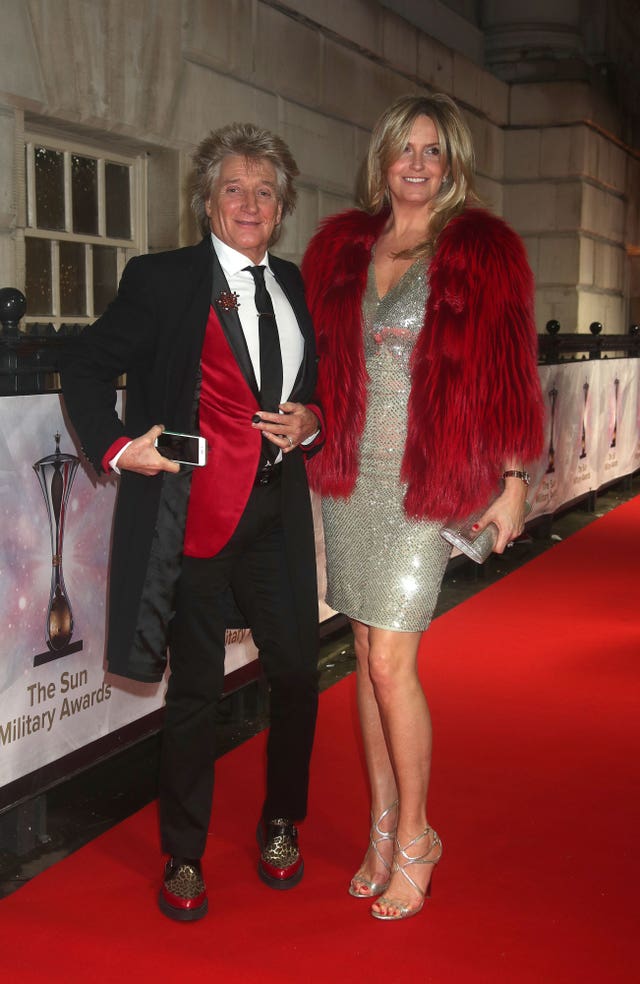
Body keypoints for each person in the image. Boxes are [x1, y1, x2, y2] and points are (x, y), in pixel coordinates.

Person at [62, 122, 324, 922]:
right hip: (197, 516)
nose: (250, 203)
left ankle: (281, 821)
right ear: (207, 200)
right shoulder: (162, 279)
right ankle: (184, 855)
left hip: (278, 511)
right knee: (197, 694)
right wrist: (114, 446)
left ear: (281, 210)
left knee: (297, 676)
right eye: (234, 188)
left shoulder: (295, 285)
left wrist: (312, 418)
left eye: (265, 191)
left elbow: (314, 384)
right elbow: (84, 365)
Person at [301, 93, 544, 922]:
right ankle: (379, 829)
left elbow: (511, 365)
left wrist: (513, 479)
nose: (416, 162)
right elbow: (316, 358)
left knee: (390, 665)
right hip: (352, 474)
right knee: (366, 660)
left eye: (432, 151)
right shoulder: (342, 245)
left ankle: (416, 836)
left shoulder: (482, 249)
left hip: (423, 479)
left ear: (452, 164)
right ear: (383, 157)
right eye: (404, 147)